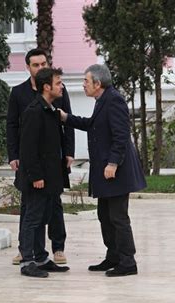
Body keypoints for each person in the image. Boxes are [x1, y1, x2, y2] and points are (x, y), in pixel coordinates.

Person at [58, 64, 147, 277]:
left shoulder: (114, 100)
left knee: (118, 217)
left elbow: (121, 135)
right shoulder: (102, 100)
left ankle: (128, 262)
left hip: (116, 171)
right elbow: (92, 124)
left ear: (98, 83)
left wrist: (113, 163)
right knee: (104, 215)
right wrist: (66, 118)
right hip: (106, 171)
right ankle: (113, 256)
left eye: (86, 81)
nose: (83, 85)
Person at [7, 48, 74, 265]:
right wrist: (16, 157)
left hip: (52, 164)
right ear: (28, 67)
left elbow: (67, 123)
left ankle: (51, 250)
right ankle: (27, 254)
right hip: (35, 168)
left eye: (43, 63)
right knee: (31, 211)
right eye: (35, 65)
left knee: (51, 207)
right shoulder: (24, 99)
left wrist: (69, 153)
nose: (40, 67)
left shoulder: (56, 97)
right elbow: (17, 131)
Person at [17, 67, 71, 277]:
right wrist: (36, 176)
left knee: (43, 217)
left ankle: (40, 258)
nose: (62, 87)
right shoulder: (33, 111)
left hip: (50, 178)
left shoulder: (51, 110)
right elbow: (28, 149)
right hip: (37, 179)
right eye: (58, 83)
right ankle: (27, 261)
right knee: (32, 218)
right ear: (46, 87)